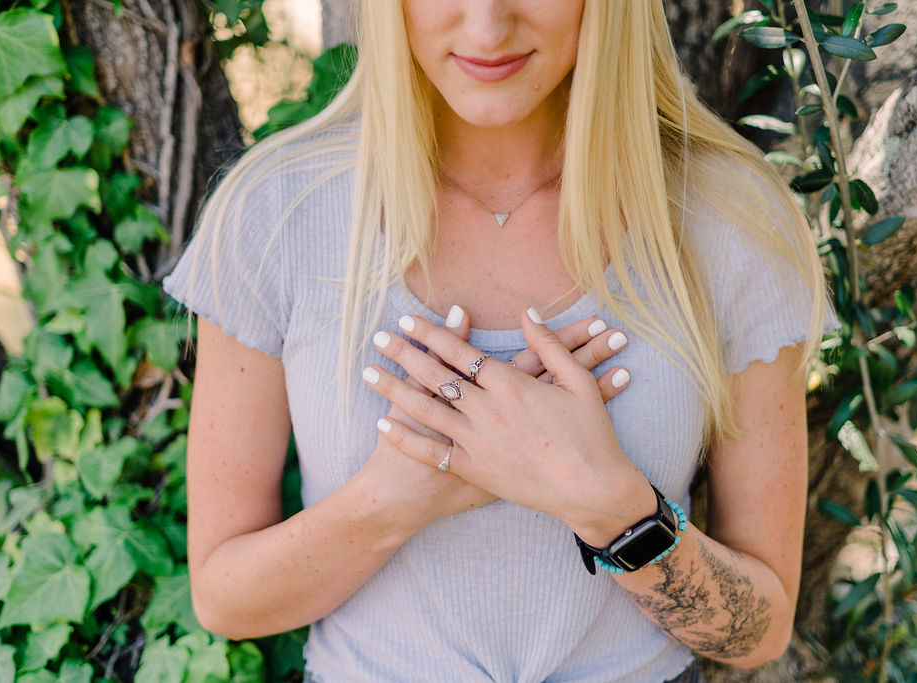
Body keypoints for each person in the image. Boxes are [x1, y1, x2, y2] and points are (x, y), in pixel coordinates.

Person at [162, 1, 839, 681]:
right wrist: (399, 497)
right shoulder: (277, 212)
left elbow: (760, 632)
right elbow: (225, 600)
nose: (487, 28)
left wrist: (606, 502)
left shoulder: (727, 218)